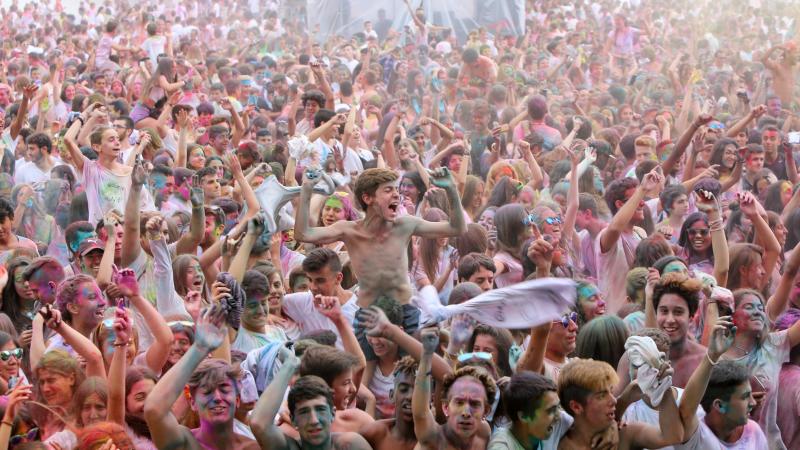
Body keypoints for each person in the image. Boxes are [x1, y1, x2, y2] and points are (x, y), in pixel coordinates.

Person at [144, 305, 260, 449]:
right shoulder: (184, 443)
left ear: (237, 399)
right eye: (207, 391)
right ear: (192, 402)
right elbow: (154, 408)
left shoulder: (252, 447)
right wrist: (199, 348)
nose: (217, 397)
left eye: (224, 389)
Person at [413, 327, 496, 450]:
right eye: (459, 402)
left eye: (475, 404)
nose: (466, 412)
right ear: (446, 407)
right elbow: (420, 414)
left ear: (486, 411)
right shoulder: (434, 438)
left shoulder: (483, 434)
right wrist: (426, 355)